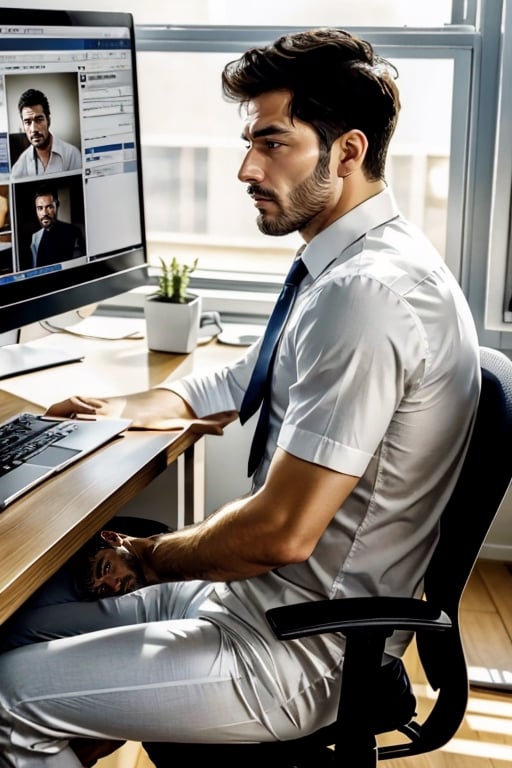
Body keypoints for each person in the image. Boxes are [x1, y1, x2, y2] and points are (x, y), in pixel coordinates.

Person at [0, 27, 480, 767]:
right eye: (248, 141)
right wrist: (126, 408)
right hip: (257, 602)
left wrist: (149, 556)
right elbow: (241, 378)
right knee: (27, 631)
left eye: (273, 143)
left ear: (346, 151)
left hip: (300, 649)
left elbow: (280, 533)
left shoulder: (366, 296)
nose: (245, 168)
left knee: (6, 695)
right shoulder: (352, 262)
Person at [11, 88, 82, 179]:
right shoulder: (20, 166)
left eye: (39, 120)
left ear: (48, 120)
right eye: (28, 122)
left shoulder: (72, 155)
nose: (33, 129)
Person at [30, 185, 85, 267]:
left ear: (57, 206)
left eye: (49, 207)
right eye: (40, 208)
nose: (44, 213)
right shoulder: (35, 237)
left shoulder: (73, 232)